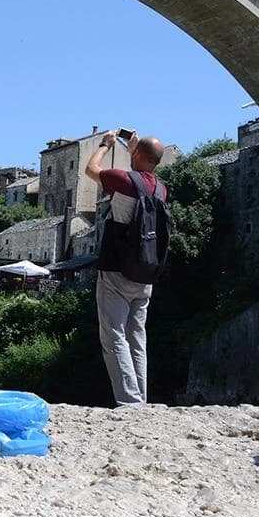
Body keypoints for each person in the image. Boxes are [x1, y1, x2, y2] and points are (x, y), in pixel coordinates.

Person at [85, 130, 167, 405]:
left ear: (138, 155)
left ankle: (129, 403)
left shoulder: (122, 180)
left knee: (114, 335)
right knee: (137, 337)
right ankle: (139, 399)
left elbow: (91, 169)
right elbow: (142, 175)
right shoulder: (161, 189)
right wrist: (134, 149)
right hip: (145, 273)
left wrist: (105, 145)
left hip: (116, 270)